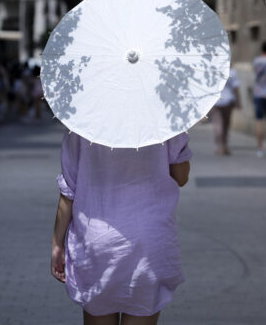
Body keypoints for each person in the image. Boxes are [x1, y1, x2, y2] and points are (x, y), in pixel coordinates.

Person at [51, 132, 192, 325]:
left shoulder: (82, 124)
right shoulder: (166, 121)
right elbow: (181, 177)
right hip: (149, 239)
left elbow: (68, 190)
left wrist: (57, 244)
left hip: (98, 240)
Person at [211, 67, 241, 155]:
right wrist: (238, 101)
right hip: (228, 100)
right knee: (226, 124)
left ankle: (221, 146)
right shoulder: (232, 72)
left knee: (218, 124)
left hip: (216, 101)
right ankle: (224, 145)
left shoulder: (215, 70)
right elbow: (236, 88)